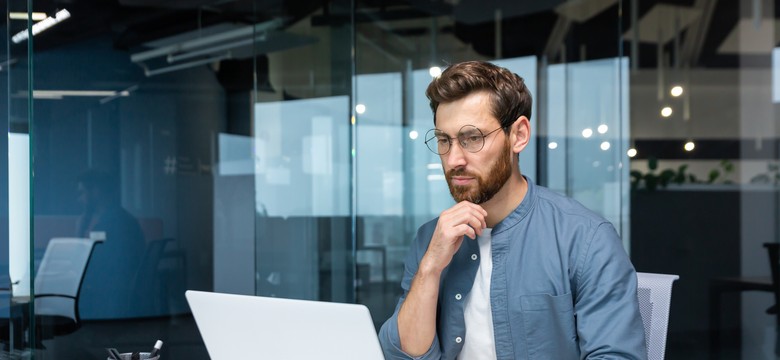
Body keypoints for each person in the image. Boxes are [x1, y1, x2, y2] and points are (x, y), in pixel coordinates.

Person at [378, 61, 647, 359]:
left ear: (518, 135)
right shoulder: (432, 237)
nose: (454, 159)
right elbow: (402, 356)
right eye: (444, 140)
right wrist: (429, 267)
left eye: (472, 138)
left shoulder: (585, 239)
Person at [75, 169, 146, 318]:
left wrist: (80, 231)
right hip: (114, 293)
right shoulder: (120, 218)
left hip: (108, 297)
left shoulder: (113, 223)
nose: (79, 199)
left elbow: (94, 265)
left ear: (96, 191)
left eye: (82, 193)